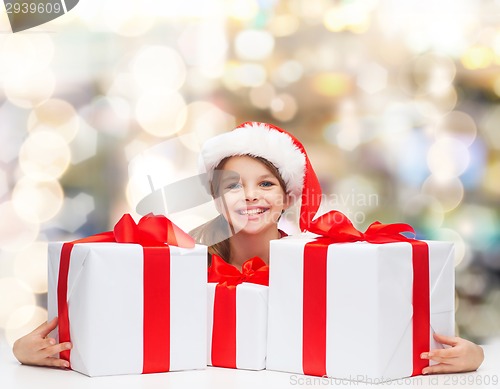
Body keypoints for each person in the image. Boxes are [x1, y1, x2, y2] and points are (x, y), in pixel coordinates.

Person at [13, 122, 483, 374]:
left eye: (265, 184)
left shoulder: (324, 263)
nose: (250, 195)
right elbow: (105, 315)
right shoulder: (184, 260)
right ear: (217, 197)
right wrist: (23, 349)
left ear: (288, 197)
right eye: (233, 185)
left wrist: (472, 358)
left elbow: (390, 325)